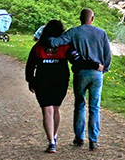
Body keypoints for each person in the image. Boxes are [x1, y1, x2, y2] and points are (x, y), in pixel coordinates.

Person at [48, 9, 112, 150]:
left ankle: (79, 137)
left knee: (80, 105)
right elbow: (108, 55)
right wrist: (104, 70)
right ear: (92, 18)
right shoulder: (101, 33)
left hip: (81, 73)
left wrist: (45, 37)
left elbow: (57, 42)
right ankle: (93, 140)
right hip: (97, 73)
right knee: (95, 107)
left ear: (80, 18)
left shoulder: (74, 32)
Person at [26, 20, 90, 153]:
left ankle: (51, 142)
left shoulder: (38, 46)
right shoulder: (65, 46)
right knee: (55, 109)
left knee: (47, 110)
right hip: (60, 80)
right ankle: (53, 136)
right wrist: (91, 66)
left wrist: (30, 81)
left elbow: (30, 65)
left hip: (41, 80)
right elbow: (76, 60)